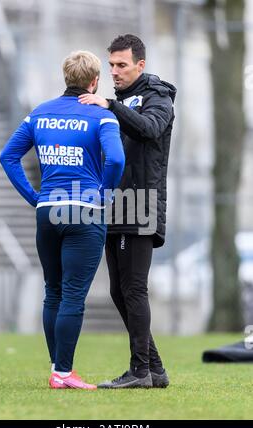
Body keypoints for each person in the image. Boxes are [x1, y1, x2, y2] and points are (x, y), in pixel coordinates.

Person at [0, 51, 125, 390]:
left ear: (66, 77)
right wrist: (105, 194)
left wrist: (34, 197)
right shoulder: (101, 115)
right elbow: (115, 159)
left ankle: (58, 368)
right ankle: (63, 372)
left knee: (52, 291)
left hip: (48, 211)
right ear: (94, 81)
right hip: (84, 210)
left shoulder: (40, 113)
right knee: (72, 294)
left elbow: (7, 156)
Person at [79, 34, 176, 388]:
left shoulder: (158, 96)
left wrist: (111, 106)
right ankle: (155, 369)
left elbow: (150, 129)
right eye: (111, 66)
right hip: (115, 205)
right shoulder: (118, 100)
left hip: (141, 204)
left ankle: (139, 372)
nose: (115, 72)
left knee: (133, 289)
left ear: (140, 65)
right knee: (119, 292)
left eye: (122, 65)